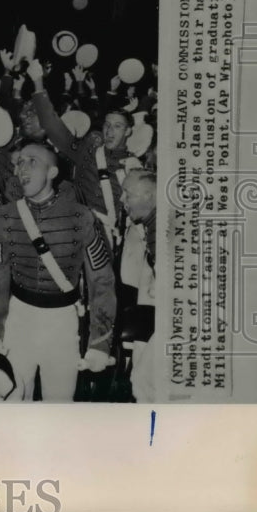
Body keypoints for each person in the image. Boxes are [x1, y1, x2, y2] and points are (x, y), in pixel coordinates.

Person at [0, 143, 116, 401]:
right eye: (19, 162)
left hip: (62, 323)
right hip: (18, 319)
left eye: (32, 161)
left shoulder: (82, 218)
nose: (22, 168)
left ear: (53, 172)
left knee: (59, 403)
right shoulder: (4, 217)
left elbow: (102, 282)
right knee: (14, 400)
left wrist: (100, 343)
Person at [26, 59, 138, 248]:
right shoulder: (89, 150)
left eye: (117, 127)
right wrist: (38, 83)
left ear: (128, 131)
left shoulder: (135, 167)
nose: (109, 131)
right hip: (73, 231)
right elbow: (53, 127)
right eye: (107, 125)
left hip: (107, 242)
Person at [119, 169, 157, 402]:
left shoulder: (166, 228)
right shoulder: (154, 225)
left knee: (144, 382)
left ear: (150, 195)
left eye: (128, 194)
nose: (122, 200)